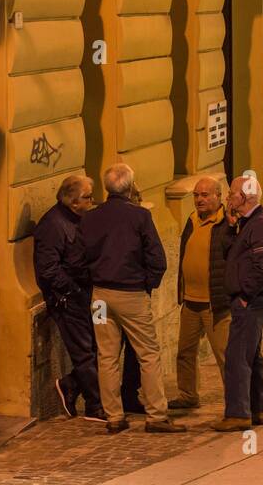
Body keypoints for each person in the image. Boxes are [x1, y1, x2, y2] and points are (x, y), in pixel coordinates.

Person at [75, 163, 183, 434]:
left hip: (100, 296)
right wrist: (148, 284)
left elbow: (77, 259)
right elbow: (157, 258)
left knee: (106, 355)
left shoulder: (90, 217)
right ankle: (156, 415)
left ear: (106, 188)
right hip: (131, 294)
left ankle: (114, 417)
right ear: (131, 187)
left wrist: (93, 278)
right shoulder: (139, 217)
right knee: (147, 353)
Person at [34, 174, 105, 422]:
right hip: (69, 299)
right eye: (87, 197)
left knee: (104, 345)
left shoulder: (83, 218)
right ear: (73, 202)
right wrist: (74, 291)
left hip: (93, 295)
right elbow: (49, 269)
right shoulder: (53, 225)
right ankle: (96, 405)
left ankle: (70, 385)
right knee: (84, 351)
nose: (92, 201)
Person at [213, 173, 263, 432]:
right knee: (252, 354)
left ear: (245, 197)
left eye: (231, 194)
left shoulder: (260, 224)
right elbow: (230, 252)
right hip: (249, 298)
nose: (228, 198)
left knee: (237, 355)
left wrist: (244, 295)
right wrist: (230, 226)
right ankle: (260, 408)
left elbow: (262, 267)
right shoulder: (247, 222)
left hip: (251, 300)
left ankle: (238, 413)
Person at [170, 175, 234, 412]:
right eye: (196, 195)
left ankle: (235, 401)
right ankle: (187, 395)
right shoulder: (192, 219)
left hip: (214, 304)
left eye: (205, 195)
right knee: (185, 353)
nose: (199, 199)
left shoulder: (227, 224)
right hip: (190, 301)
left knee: (224, 355)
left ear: (218, 196)